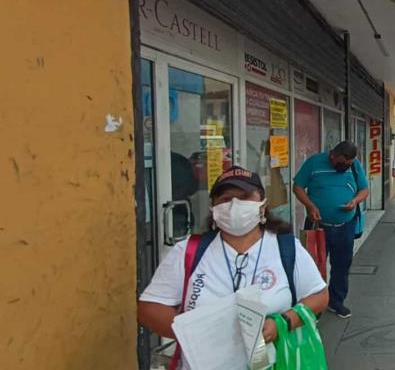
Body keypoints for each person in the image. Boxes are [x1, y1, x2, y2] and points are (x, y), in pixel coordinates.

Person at [138, 166, 329, 369]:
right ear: (214, 209)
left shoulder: (286, 247)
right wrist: (195, 333)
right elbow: (149, 309)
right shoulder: (188, 251)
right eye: (225, 199)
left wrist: (283, 323)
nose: (234, 205)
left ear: (262, 206)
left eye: (245, 197)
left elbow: (319, 296)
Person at [292, 141, 369, 318]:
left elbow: (364, 189)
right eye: (342, 163)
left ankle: (336, 302)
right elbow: (298, 187)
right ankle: (312, 306)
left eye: (348, 164)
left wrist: (355, 201)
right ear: (333, 155)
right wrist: (310, 206)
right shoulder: (314, 163)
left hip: (345, 226)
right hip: (318, 226)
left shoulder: (354, 165)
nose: (345, 167)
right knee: (313, 266)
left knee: (342, 265)